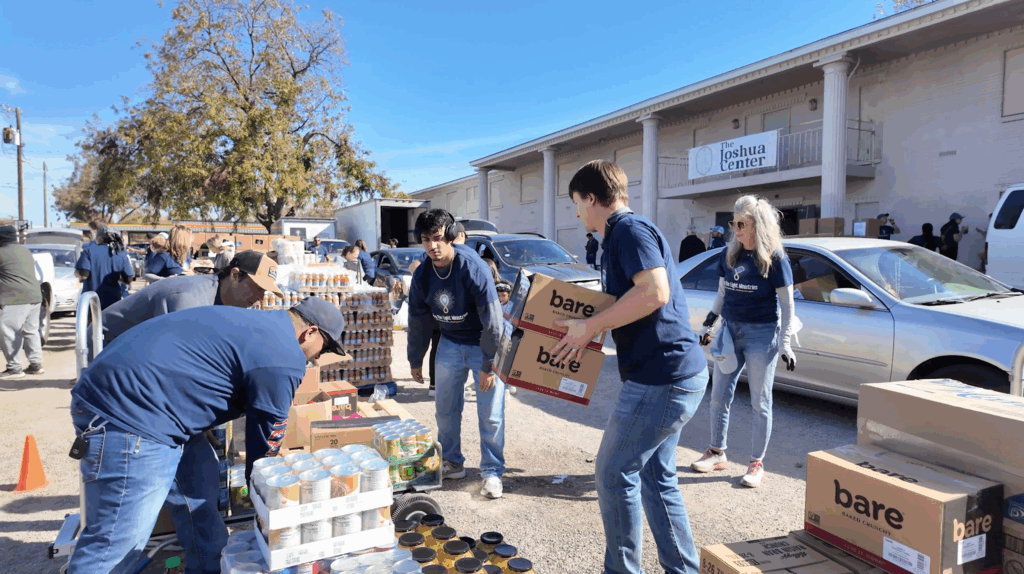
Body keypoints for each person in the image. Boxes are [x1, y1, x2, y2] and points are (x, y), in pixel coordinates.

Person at [67, 297, 344, 574]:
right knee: (116, 543)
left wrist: (199, 417)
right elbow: (267, 435)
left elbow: (198, 363)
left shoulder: (260, 325)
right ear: (310, 332)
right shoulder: (285, 356)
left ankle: (209, 567)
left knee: (199, 484)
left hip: (146, 404)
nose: (320, 357)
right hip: (130, 416)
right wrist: (265, 491)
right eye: (326, 347)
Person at [549, 160, 708, 574]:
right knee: (656, 479)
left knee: (613, 472)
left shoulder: (628, 231)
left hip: (663, 379)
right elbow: (631, 306)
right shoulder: (616, 238)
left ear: (590, 197)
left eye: (576, 204)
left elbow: (655, 292)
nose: (577, 213)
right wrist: (589, 330)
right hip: (670, 374)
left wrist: (592, 326)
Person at [94, 250, 281, 572]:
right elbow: (177, 369)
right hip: (124, 391)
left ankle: (204, 562)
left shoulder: (224, 304)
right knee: (130, 516)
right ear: (234, 274)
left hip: (155, 395)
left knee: (197, 481)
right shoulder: (188, 299)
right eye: (256, 287)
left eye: (266, 292)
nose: (260, 298)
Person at [690, 195, 797, 489]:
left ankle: (755, 463)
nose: (735, 229)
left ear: (757, 225)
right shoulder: (731, 254)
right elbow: (723, 293)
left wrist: (785, 342)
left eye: (741, 224)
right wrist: (710, 320)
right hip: (730, 333)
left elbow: (787, 306)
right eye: (733, 223)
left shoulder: (775, 259)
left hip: (761, 336)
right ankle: (716, 452)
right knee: (718, 396)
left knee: (760, 403)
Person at [407, 209, 505, 499]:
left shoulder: (473, 267)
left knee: (491, 415)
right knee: (445, 411)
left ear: (450, 235)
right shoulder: (423, 274)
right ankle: (452, 462)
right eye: (425, 240)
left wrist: (489, 365)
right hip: (450, 343)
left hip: (484, 342)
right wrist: (416, 358)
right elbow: (417, 319)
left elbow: (494, 323)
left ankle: (492, 472)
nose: (432, 246)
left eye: (437, 238)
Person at [0, 225, 44, 379]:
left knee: (9, 332)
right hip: (35, 297)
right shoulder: (24, 251)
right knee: (31, 331)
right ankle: (36, 364)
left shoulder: (1, 253)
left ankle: (14, 369)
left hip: (15, 298)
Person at [75, 227, 134, 309]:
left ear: (101, 237)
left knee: (92, 322)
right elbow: (128, 279)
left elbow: (84, 275)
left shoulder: (88, 251)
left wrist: (76, 273)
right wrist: (116, 278)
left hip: (92, 301)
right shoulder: (121, 253)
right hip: (113, 301)